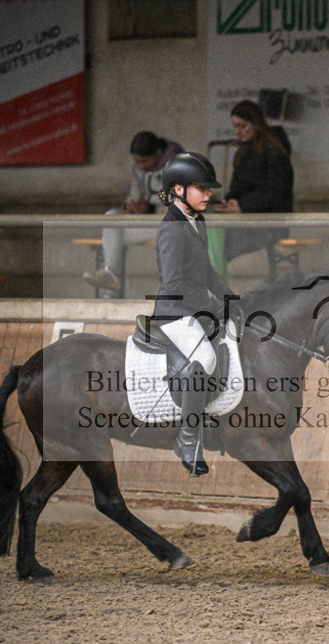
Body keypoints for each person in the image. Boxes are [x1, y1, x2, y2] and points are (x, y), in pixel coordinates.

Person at [152, 152, 235, 476]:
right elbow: (176, 284)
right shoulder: (172, 228)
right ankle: (187, 439)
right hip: (175, 312)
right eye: (201, 188)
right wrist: (213, 306)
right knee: (205, 359)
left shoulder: (196, 220)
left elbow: (207, 271)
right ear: (178, 190)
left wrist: (231, 298)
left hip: (194, 307)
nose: (208, 193)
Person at [84, 131, 183, 296]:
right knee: (111, 217)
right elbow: (134, 195)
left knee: (113, 238)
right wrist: (131, 206)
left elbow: (181, 204)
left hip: (172, 224)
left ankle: (111, 292)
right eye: (137, 162)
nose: (141, 166)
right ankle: (111, 276)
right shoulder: (138, 169)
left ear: (158, 153)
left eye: (145, 161)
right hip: (146, 223)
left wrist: (150, 208)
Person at [214, 99, 294, 265]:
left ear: (256, 124)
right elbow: (236, 186)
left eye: (243, 126)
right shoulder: (242, 152)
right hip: (246, 218)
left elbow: (278, 190)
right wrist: (229, 202)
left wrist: (243, 206)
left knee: (217, 244)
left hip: (269, 222)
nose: (238, 131)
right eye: (235, 126)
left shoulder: (274, 148)